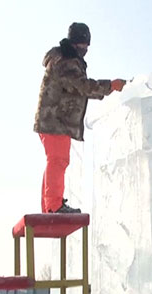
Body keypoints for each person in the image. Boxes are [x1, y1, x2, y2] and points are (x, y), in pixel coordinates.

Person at [33, 22, 126, 213]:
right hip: (55, 120)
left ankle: (50, 205)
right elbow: (81, 86)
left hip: (54, 120)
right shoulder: (65, 60)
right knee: (58, 160)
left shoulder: (65, 57)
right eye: (83, 45)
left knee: (55, 160)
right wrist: (111, 86)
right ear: (76, 42)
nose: (86, 49)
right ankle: (53, 206)